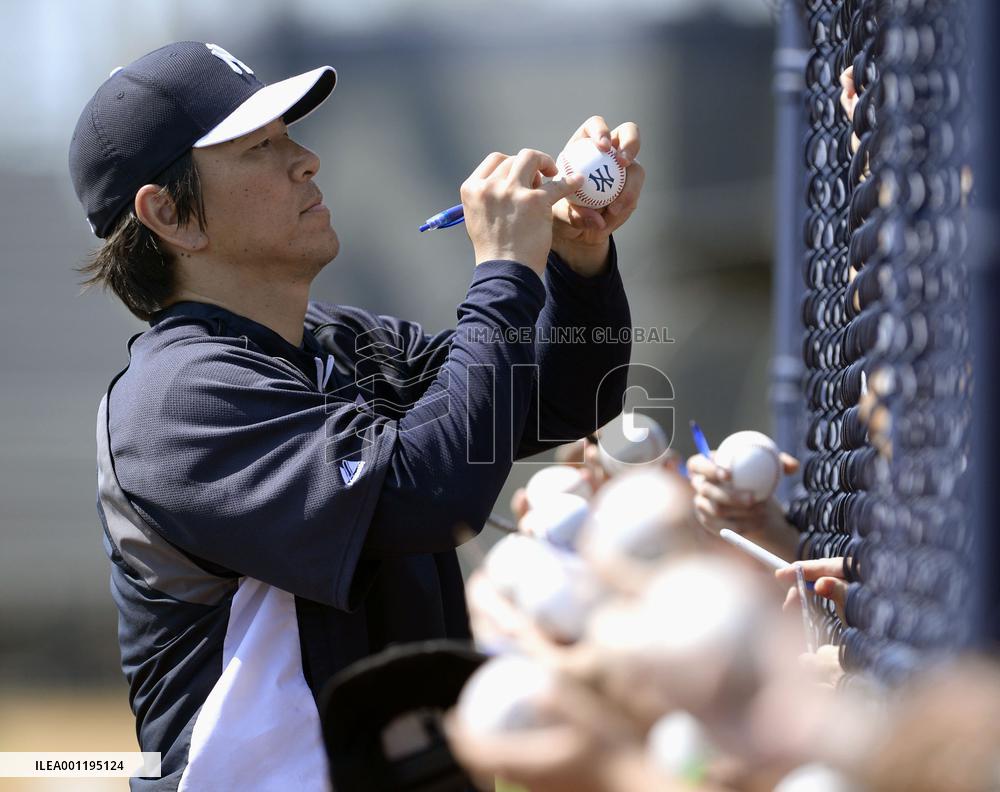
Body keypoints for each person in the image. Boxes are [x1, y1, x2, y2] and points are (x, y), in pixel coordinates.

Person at [69, 40, 642, 790]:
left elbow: (569, 398)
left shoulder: (343, 340)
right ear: (168, 213)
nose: (306, 161)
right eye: (259, 147)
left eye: (288, 137)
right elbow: (431, 495)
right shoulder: (177, 399)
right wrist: (505, 270)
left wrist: (575, 258)